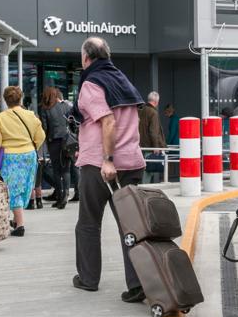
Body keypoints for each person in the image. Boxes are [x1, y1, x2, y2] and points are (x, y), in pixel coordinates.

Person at [71, 37, 147, 303]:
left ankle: (88, 279)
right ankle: (138, 284)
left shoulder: (92, 83)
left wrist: (107, 159)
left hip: (101, 167)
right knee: (131, 226)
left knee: (88, 223)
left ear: (86, 58)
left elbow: (108, 122)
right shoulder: (123, 80)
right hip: (133, 162)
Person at [0, 86, 46, 236]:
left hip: (10, 157)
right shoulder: (31, 115)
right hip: (29, 155)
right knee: (25, 187)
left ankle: (20, 225)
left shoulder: (0, 118)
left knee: (12, 190)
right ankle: (17, 220)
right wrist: (32, 145)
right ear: (21, 98)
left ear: (5, 100)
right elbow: (41, 136)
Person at [39, 87, 72, 209]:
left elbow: (45, 128)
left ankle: (60, 195)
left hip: (54, 142)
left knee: (57, 170)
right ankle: (66, 194)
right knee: (66, 169)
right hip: (67, 141)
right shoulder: (66, 107)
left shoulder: (45, 109)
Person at [138, 91, 166, 183]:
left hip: (140, 145)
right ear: (156, 102)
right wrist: (156, 147)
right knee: (148, 171)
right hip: (149, 146)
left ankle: (140, 188)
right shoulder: (153, 113)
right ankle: (144, 190)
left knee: (141, 169)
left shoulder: (140, 110)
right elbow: (153, 132)